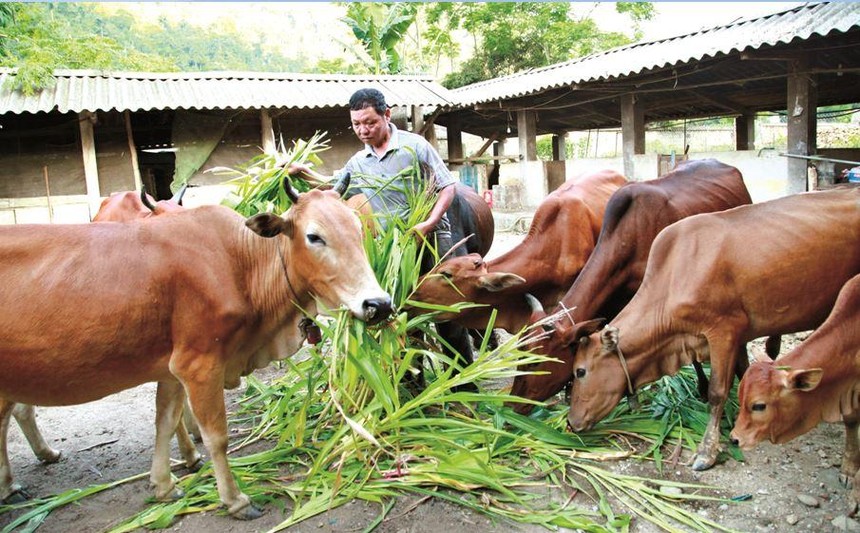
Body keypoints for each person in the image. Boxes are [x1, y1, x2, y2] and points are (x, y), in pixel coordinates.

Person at [287, 88, 462, 271]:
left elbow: (447, 186)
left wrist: (428, 223)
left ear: (387, 115)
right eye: (356, 124)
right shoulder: (359, 162)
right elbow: (333, 187)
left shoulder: (415, 146)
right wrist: (303, 172)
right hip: (394, 244)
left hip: (431, 236)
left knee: (443, 286)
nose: (363, 130)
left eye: (370, 123)